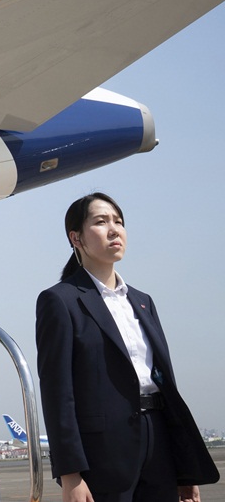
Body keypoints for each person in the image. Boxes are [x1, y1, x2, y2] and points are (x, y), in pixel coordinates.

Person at [36, 193, 219, 502]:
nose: (114, 229)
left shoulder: (143, 301)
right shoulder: (61, 300)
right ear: (75, 237)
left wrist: (183, 469)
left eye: (118, 222)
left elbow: (166, 386)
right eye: (100, 221)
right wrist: (70, 475)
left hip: (159, 443)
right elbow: (57, 394)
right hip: (103, 454)